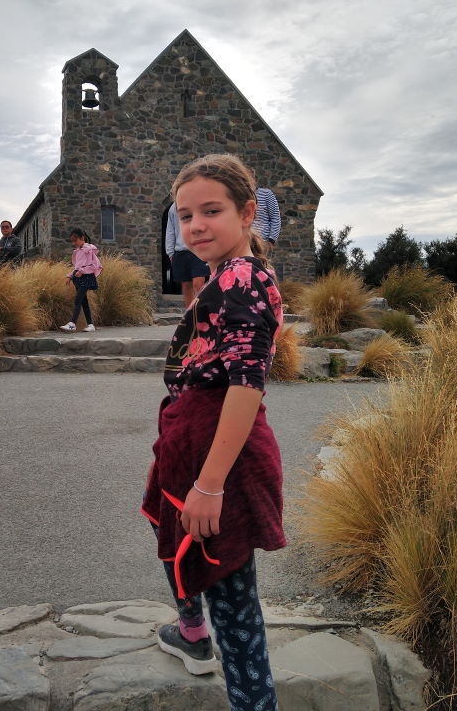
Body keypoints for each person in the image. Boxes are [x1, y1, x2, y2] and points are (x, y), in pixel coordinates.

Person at [141, 154, 284, 711]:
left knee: (237, 611)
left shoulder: (243, 280)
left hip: (221, 458)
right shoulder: (225, 277)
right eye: (184, 215)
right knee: (177, 538)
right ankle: (190, 631)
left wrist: (211, 484)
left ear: (247, 214)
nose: (195, 225)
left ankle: (253, 699)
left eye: (211, 211)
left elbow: (247, 386)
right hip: (193, 442)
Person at [165, 204, 210, 306]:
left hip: (199, 249)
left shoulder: (200, 201)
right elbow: (170, 230)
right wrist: (170, 253)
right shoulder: (173, 208)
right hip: (180, 251)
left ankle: (199, 314)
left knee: (198, 284)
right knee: (186, 286)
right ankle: (190, 316)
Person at [60, 228, 102, 332]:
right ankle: (91, 325)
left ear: (82, 238)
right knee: (84, 302)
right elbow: (76, 268)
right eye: (72, 241)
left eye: (75, 240)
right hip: (78, 279)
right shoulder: (77, 252)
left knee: (78, 299)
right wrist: (70, 276)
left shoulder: (89, 250)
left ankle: (72, 324)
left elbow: (94, 265)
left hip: (87, 278)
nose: (74, 243)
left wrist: (82, 271)